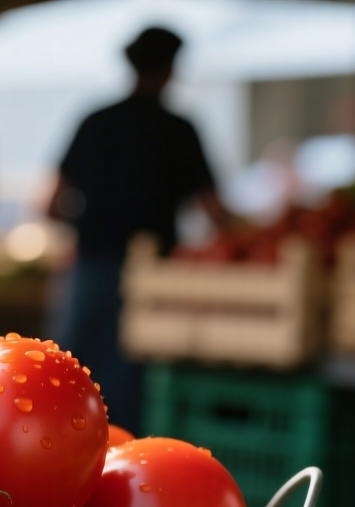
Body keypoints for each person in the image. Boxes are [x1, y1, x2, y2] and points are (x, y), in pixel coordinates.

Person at [46, 26, 231, 433]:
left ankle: (64, 462)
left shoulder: (95, 122)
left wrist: (87, 225)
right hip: (153, 280)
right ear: (170, 69)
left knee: (70, 381)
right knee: (131, 389)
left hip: (90, 267)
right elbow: (215, 212)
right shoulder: (177, 128)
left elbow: (50, 203)